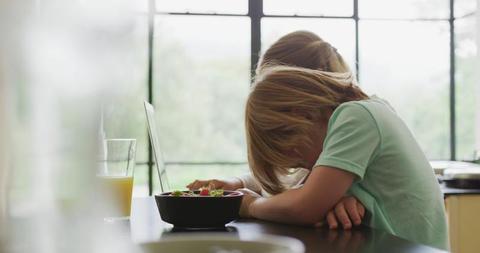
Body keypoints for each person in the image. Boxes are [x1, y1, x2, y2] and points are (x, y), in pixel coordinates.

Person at [189, 31, 449, 250]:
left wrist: (250, 205)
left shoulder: (357, 117)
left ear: (299, 110)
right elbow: (293, 184)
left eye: (299, 158)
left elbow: (305, 205)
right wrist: (242, 184)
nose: (306, 168)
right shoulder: (355, 114)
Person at [189, 31, 366, 230]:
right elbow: (288, 179)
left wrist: (249, 205)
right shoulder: (319, 136)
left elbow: (303, 204)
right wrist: (237, 183)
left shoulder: (354, 122)